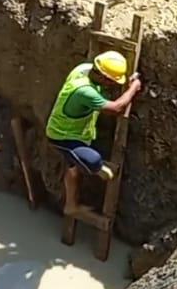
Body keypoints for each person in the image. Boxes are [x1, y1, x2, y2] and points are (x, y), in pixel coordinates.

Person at [45, 51, 142, 202]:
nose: (114, 84)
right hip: (62, 136)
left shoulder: (84, 68)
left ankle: (70, 205)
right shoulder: (84, 91)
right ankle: (96, 169)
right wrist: (133, 88)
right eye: (112, 82)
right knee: (94, 160)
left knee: (73, 167)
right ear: (103, 77)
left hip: (77, 132)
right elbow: (116, 109)